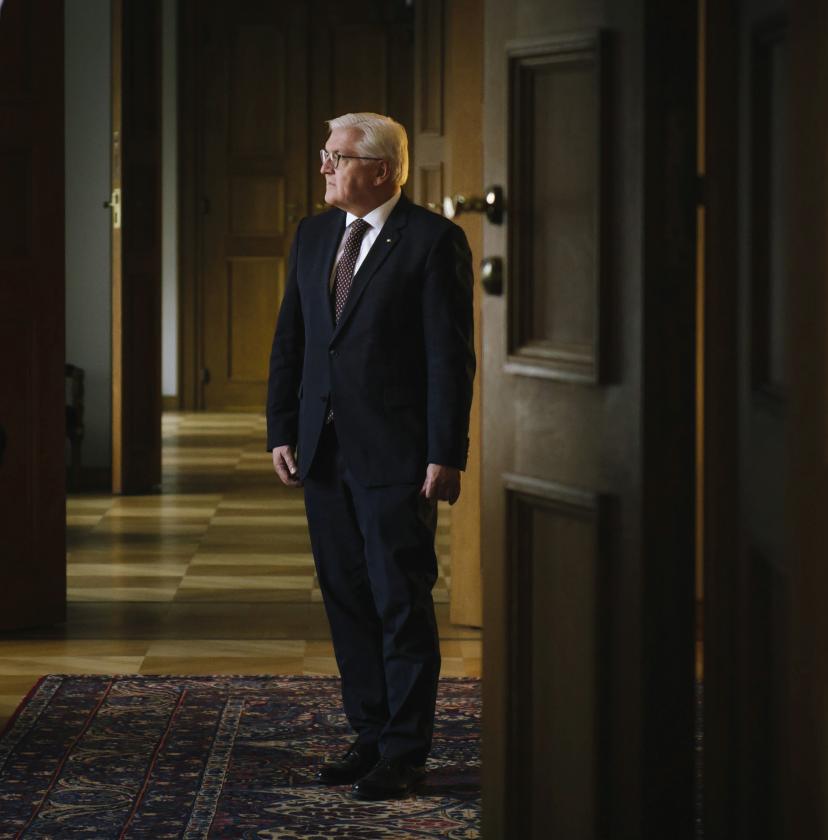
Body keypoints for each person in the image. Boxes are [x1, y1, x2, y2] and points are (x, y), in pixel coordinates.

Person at [266, 112, 475, 801]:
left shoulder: (433, 241)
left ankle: (405, 752)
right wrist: (281, 429)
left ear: (381, 170)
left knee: (398, 601)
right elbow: (292, 341)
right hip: (323, 452)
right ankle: (370, 734)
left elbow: (449, 358)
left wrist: (445, 452)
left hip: (397, 456)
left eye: (339, 156)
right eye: (326, 154)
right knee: (347, 599)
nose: (324, 166)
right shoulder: (313, 235)